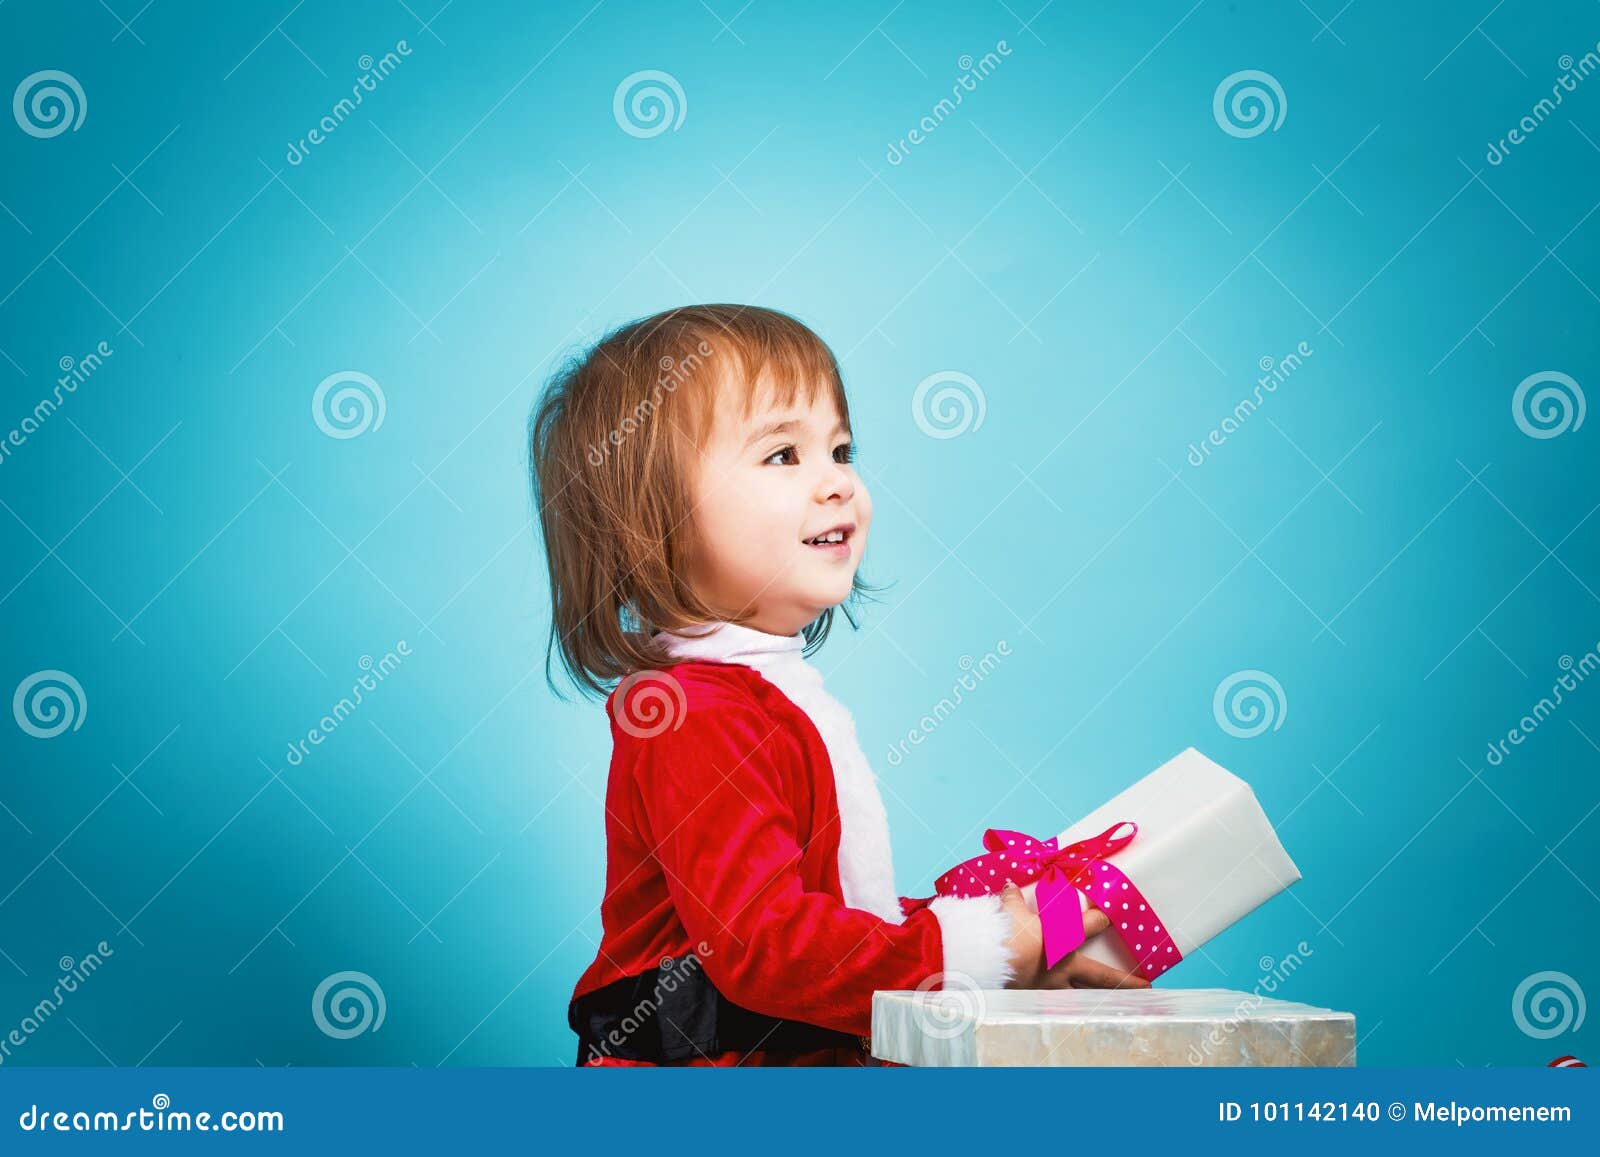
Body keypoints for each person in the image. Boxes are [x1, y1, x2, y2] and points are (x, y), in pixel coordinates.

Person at [528, 304, 1148, 1067]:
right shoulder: (694, 716)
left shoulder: (770, 697)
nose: (838, 484)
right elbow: (764, 947)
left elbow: (831, 919)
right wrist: (975, 947)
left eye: (841, 448)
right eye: (783, 455)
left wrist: (1002, 948)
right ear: (651, 521)